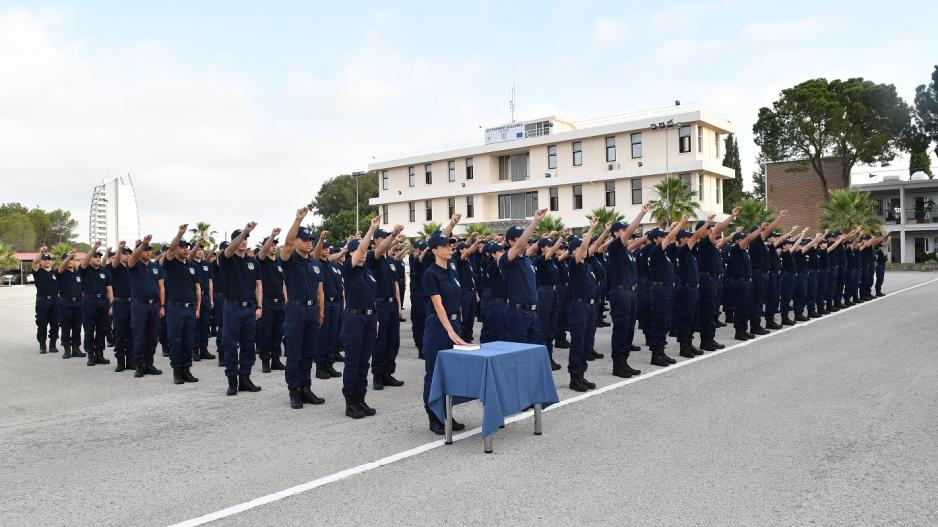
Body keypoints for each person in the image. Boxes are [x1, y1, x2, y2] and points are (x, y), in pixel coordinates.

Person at [280, 208, 327, 409]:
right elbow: (288, 242)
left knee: (309, 352)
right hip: (295, 310)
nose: (308, 242)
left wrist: (321, 312)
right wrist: (297, 220)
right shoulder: (289, 260)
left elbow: (319, 291)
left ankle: (306, 388)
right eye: (305, 239)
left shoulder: (315, 264)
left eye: (310, 239)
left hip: (311, 311)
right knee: (295, 353)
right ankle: (294, 391)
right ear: (297, 242)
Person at [422, 232, 468, 434]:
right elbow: (438, 305)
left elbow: (456, 301)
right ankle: (433, 416)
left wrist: (459, 325)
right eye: (445, 246)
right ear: (434, 250)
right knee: (434, 372)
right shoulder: (430, 274)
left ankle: (447, 413)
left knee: (452, 373)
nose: (450, 248)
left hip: (453, 326)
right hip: (438, 328)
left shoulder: (452, 270)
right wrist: (450, 330)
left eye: (451, 245)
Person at [341, 216, 382, 419]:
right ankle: (351, 402)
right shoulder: (348, 270)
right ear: (351, 253)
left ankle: (361, 399)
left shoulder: (368, 272)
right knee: (353, 362)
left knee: (364, 362)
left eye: (366, 252)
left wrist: (376, 320)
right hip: (354, 320)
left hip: (369, 319)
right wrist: (371, 230)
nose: (364, 254)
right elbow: (359, 251)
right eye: (360, 251)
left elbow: (371, 298)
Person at [218, 223, 263, 396]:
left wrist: (259, 306)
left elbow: (259, 285)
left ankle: (245, 378)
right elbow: (229, 250)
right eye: (241, 239)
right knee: (230, 345)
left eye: (246, 239)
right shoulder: (226, 259)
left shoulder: (252, 262)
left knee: (248, 345)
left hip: (249, 309)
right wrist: (245, 231)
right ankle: (232, 381)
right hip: (232, 308)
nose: (244, 242)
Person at [606, 203, 650, 377]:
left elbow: (637, 239)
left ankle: (625, 360)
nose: (627, 232)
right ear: (616, 233)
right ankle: (618, 364)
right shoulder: (615, 248)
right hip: (620, 292)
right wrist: (642, 213)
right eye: (623, 230)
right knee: (621, 328)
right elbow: (631, 232)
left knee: (630, 328)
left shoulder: (628, 252)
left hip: (631, 293)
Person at [499, 208, 548, 345]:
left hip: (533, 312)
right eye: (520, 237)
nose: (525, 240)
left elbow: (528, 247)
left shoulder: (527, 259)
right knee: (517, 353)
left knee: (532, 352)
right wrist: (536, 221)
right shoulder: (506, 259)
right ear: (510, 242)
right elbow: (521, 244)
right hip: (517, 313)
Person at [163, 225, 202, 384]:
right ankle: (177, 371)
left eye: (187, 247)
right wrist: (179, 234)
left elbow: (197, 289)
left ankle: (187, 369)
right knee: (176, 340)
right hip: (175, 309)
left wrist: (197, 307)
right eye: (182, 247)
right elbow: (171, 250)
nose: (185, 249)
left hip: (190, 308)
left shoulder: (192, 266)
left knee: (188, 340)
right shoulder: (171, 264)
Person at [646, 217, 687, 366]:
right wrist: (681, 223)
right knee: (659, 322)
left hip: (666, 289)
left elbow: (671, 239)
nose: (666, 238)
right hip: (659, 290)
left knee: (665, 322)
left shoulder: (663, 254)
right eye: (662, 236)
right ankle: (656, 355)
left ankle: (661, 352)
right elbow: (670, 237)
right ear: (656, 239)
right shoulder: (655, 251)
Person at [369, 224, 406, 390]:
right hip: (380, 303)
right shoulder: (373, 257)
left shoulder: (391, 261)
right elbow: (380, 250)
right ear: (376, 240)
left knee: (393, 341)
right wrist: (394, 234)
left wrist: (399, 305)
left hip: (392, 304)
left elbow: (395, 284)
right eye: (383, 238)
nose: (386, 241)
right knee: (381, 341)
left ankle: (388, 373)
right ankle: (378, 374)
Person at [566, 218, 600, 392]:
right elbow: (583, 249)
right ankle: (575, 377)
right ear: (574, 251)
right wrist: (592, 228)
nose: (585, 250)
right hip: (578, 307)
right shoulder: (575, 264)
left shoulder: (587, 266)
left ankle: (581, 374)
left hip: (589, 307)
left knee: (586, 342)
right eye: (581, 248)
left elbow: (592, 247)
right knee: (578, 342)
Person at [128, 236, 165, 377]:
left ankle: (149, 363)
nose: (148, 252)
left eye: (149, 249)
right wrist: (142, 244)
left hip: (154, 305)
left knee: (152, 336)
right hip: (139, 306)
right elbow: (132, 258)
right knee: (139, 337)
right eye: (145, 250)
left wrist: (162, 306)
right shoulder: (133, 265)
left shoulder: (156, 267)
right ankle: (139, 365)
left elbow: (161, 288)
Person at [675, 219, 711, 358]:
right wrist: (707, 223)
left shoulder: (691, 254)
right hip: (686, 290)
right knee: (685, 319)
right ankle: (684, 347)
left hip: (694, 289)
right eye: (688, 237)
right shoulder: (682, 252)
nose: (691, 239)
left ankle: (689, 344)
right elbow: (696, 236)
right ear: (682, 239)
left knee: (692, 319)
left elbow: (697, 238)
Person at [747, 211, 787, 335]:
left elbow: (776, 238)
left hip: (763, 274)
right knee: (757, 301)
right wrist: (779, 217)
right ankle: (755, 326)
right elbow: (768, 230)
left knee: (760, 301)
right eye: (759, 233)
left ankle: (757, 324)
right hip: (757, 274)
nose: (762, 234)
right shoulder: (754, 242)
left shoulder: (761, 245)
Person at [79, 241, 114, 366]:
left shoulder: (105, 272)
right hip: (89, 302)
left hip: (103, 302)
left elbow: (109, 290)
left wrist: (111, 305)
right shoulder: (84, 269)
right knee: (89, 330)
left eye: (100, 256)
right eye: (95, 256)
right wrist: (94, 248)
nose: (98, 258)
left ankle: (100, 354)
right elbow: (85, 261)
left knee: (101, 330)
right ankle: (91, 355)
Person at [256, 231, 286, 374]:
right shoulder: (261, 261)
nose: (274, 247)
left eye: (275, 244)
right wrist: (271, 236)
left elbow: (283, 283)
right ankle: (265, 361)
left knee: (277, 333)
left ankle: (276, 359)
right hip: (267, 303)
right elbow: (262, 252)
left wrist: (286, 298)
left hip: (279, 302)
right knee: (265, 333)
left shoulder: (279, 263)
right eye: (271, 244)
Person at [315, 240, 346, 379]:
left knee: (333, 336)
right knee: (323, 337)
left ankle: (329, 364)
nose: (326, 250)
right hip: (325, 303)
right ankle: (320, 367)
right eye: (324, 247)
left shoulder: (333, 265)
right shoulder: (317, 264)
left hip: (337, 303)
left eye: (328, 247)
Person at [534, 235, 563, 369]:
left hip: (554, 293)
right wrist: (561, 237)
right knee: (544, 327)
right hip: (544, 293)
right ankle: (543, 359)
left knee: (552, 326)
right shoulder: (540, 260)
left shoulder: (552, 261)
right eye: (549, 246)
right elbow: (552, 252)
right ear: (542, 249)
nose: (551, 248)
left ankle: (549, 357)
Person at [188, 240, 216, 363]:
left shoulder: (206, 264)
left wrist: (211, 298)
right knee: (195, 325)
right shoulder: (189, 263)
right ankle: (195, 350)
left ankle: (204, 349)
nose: (200, 251)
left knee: (205, 324)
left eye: (201, 249)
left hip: (205, 296)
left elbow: (210, 282)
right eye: (197, 248)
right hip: (194, 298)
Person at [109, 242, 135, 371]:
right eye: (125, 253)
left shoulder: (133, 267)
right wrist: (119, 249)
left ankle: (130, 361)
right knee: (120, 333)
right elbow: (116, 260)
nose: (128, 255)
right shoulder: (116, 267)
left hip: (133, 303)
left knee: (132, 332)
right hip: (120, 303)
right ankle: (120, 361)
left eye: (130, 254)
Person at [57, 251, 84, 359]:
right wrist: (69, 257)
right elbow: (61, 266)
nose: (70, 261)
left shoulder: (77, 273)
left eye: (72, 259)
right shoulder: (61, 272)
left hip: (78, 302)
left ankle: (76, 349)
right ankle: (67, 349)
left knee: (77, 326)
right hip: (65, 302)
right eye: (68, 259)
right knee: (66, 327)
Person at [31, 247, 59, 354]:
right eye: (44, 259)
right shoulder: (38, 271)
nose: (47, 261)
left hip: (55, 301)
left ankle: (53, 344)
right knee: (42, 324)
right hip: (42, 301)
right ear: (41, 261)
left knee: (55, 324)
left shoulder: (55, 273)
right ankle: (42, 345)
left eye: (49, 259)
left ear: (51, 261)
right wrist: (40, 252)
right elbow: (34, 262)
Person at [455, 236, 482, 343]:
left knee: (471, 317)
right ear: (460, 250)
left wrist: (476, 293)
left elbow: (472, 279)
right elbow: (466, 253)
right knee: (464, 317)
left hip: (471, 292)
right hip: (463, 293)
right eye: (465, 248)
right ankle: (462, 338)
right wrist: (475, 244)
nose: (467, 249)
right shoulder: (458, 260)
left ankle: (468, 338)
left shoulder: (468, 262)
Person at [479, 242, 507, 343]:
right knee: (493, 329)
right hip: (495, 301)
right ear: (493, 254)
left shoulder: (505, 266)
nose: (503, 253)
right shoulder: (491, 266)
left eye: (503, 250)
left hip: (505, 302)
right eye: (500, 251)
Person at [409, 241, 428, 356]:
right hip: (418, 293)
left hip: (426, 293)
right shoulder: (415, 259)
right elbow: (419, 259)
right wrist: (426, 249)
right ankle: (420, 347)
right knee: (419, 320)